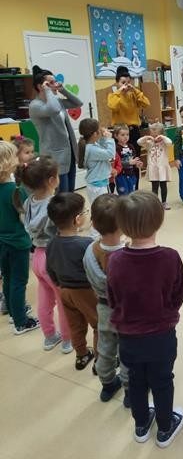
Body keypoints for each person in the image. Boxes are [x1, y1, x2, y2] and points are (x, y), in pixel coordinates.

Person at [107, 191, 183, 447]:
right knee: (162, 381)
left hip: (128, 337)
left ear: (122, 225)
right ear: (159, 221)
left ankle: (141, 425)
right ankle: (165, 427)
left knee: (136, 381)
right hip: (162, 335)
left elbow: (112, 298)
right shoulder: (170, 257)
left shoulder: (115, 260)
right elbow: (177, 295)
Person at [19, 156, 72, 352]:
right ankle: (67, 340)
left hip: (37, 257)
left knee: (45, 300)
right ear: (52, 180)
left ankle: (50, 336)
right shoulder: (55, 204)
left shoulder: (29, 202)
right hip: (53, 257)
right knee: (63, 301)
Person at [83, 194, 129, 405]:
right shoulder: (128, 254)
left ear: (93, 223)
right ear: (124, 224)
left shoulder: (89, 251)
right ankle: (130, 391)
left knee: (105, 348)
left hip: (103, 308)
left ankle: (107, 384)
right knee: (127, 351)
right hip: (126, 311)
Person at [46, 193, 97, 370]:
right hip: (86, 291)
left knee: (75, 325)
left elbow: (50, 269)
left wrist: (59, 284)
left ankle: (81, 355)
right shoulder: (86, 244)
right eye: (84, 211)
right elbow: (94, 270)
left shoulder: (51, 244)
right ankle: (101, 359)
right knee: (99, 324)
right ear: (77, 219)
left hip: (65, 291)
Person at [0, 141, 39, 334]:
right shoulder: (15, 190)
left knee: (8, 277)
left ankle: (12, 310)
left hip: (2, 242)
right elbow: (26, 218)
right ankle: (21, 321)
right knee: (19, 281)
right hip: (17, 242)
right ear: (8, 162)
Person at [29, 65, 83, 192]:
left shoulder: (56, 101)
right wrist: (48, 91)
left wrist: (62, 90)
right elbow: (53, 109)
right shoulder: (35, 105)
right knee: (62, 195)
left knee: (70, 192)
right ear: (40, 86)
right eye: (51, 83)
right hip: (54, 157)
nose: (55, 85)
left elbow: (78, 103)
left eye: (55, 82)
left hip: (68, 154)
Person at [107, 66, 149, 185]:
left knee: (134, 160)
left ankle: (134, 187)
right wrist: (120, 92)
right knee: (118, 161)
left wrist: (135, 90)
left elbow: (146, 103)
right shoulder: (113, 96)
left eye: (128, 82)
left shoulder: (133, 95)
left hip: (133, 132)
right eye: (123, 82)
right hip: (119, 133)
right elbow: (112, 106)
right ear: (117, 83)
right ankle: (120, 187)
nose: (126, 85)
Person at [78, 118, 116, 204]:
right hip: (99, 186)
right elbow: (110, 154)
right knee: (102, 208)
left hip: (96, 183)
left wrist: (103, 138)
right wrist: (109, 139)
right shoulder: (91, 149)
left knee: (98, 207)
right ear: (95, 134)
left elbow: (102, 147)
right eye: (99, 129)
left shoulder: (91, 145)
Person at [138, 122, 173, 209]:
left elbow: (170, 142)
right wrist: (147, 137)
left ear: (161, 134)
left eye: (156, 135)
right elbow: (139, 142)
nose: (154, 137)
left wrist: (162, 137)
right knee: (154, 187)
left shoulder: (164, 143)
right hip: (153, 169)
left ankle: (164, 202)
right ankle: (155, 203)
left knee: (163, 186)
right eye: (152, 134)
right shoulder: (149, 143)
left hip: (162, 168)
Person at [113, 124, 143, 195]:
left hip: (132, 174)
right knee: (124, 195)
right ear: (116, 136)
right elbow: (117, 163)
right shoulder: (116, 148)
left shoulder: (131, 146)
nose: (126, 137)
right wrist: (129, 163)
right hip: (121, 176)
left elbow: (134, 158)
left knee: (132, 194)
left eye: (127, 134)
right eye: (122, 135)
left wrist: (137, 163)